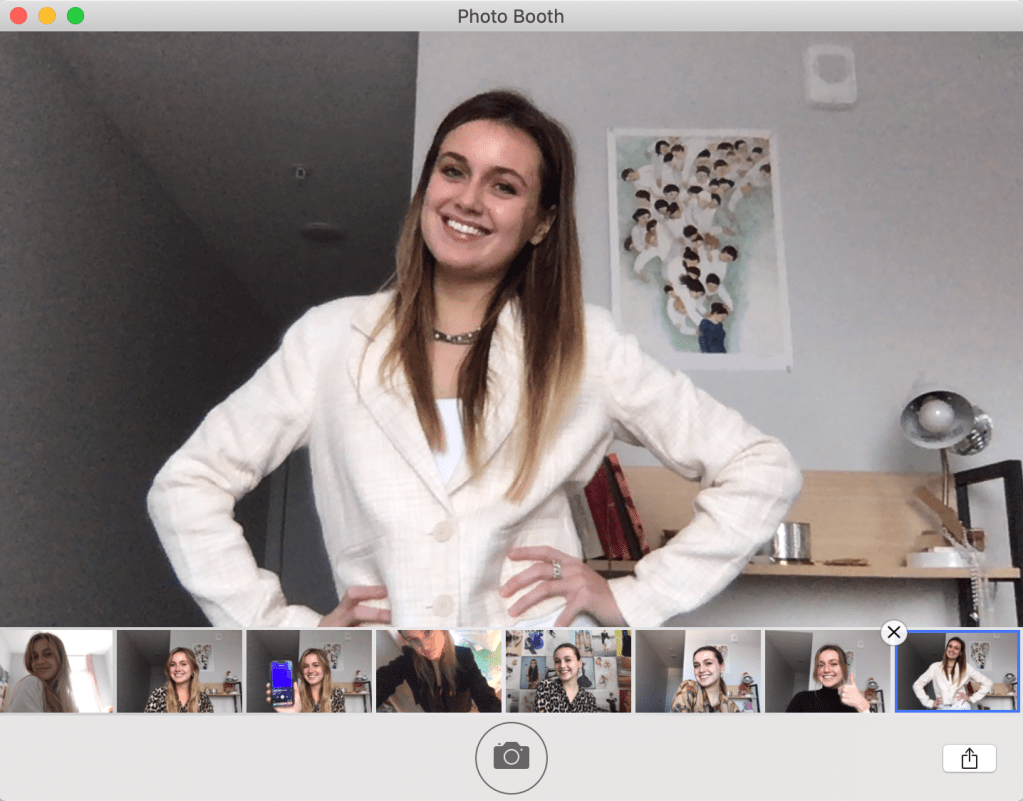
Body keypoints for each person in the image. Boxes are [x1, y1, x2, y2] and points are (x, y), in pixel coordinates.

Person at [147, 89, 800, 629]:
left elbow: (760, 467)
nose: (467, 200)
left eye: (503, 186)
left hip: (540, 679)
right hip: (391, 685)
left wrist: (634, 599)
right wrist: (281, 633)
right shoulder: (329, 338)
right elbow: (187, 484)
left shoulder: (585, 345)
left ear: (541, 222)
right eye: (453, 170)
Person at [376, 630, 500, 713]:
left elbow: (485, 696)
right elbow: (381, 683)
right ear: (406, 641)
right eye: (413, 640)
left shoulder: (463, 656)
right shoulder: (407, 662)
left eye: (428, 632)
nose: (425, 646)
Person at [2, 632, 78, 713]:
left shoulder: (69, 701)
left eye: (48, 654)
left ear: (61, 658)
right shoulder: (32, 683)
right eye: (34, 657)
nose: (40, 662)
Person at [912, 637, 992, 710]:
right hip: (942, 708)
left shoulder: (966, 668)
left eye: (956, 648)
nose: (952, 650)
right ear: (946, 648)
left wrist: (971, 698)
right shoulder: (935, 667)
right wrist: (929, 702)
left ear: (960, 653)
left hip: (961, 707)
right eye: (950, 646)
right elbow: (917, 684)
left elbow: (988, 682)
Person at [786, 645, 870, 713]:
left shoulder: (851, 708)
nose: (826, 670)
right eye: (821, 665)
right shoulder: (801, 699)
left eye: (833, 664)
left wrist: (864, 707)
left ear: (844, 668)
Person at [265, 648, 346, 713]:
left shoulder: (336, 694)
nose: (310, 671)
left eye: (316, 665)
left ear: (325, 668)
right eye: (305, 666)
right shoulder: (295, 696)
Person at [670, 645, 738, 713]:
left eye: (708, 663)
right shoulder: (688, 687)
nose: (701, 670)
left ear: (722, 667)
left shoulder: (732, 707)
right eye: (696, 665)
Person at [144, 647, 213, 713]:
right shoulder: (158, 695)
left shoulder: (203, 699)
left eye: (183, 664)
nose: (177, 669)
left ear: (193, 669)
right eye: (172, 665)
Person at [533, 643, 597, 712]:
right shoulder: (546, 687)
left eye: (568, 660)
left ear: (579, 663)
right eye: (557, 661)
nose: (562, 665)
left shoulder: (589, 698)